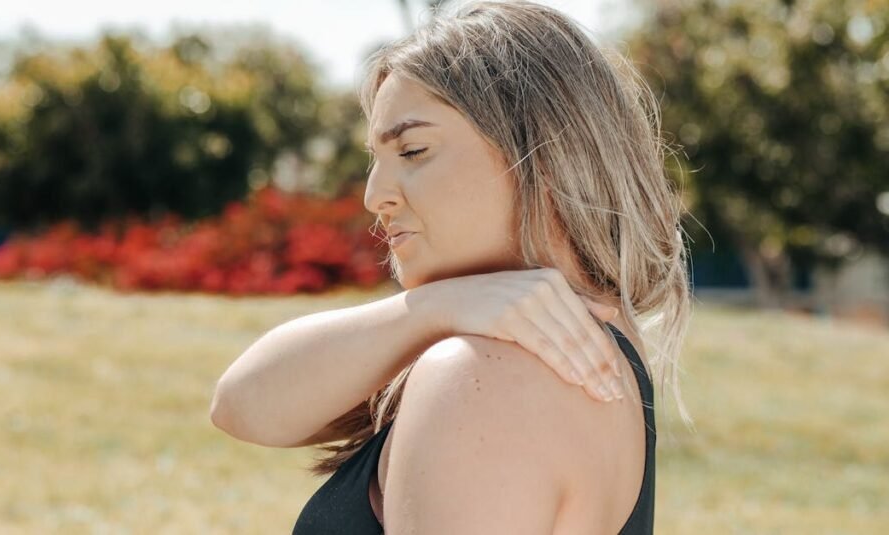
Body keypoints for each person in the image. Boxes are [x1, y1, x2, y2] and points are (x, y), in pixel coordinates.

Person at [211, 1, 693, 533]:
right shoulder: (580, 345)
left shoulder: (482, 377)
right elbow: (241, 406)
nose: (375, 195)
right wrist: (435, 309)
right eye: (376, 159)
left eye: (413, 150)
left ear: (542, 153)